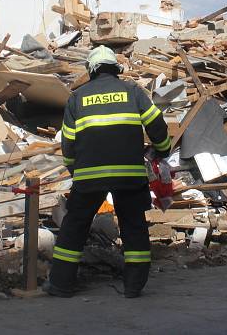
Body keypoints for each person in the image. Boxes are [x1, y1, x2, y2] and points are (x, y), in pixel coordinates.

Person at [48, 45, 171, 298]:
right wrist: (163, 150)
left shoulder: (77, 98)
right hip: (129, 175)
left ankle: (61, 285)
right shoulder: (132, 91)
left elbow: (68, 144)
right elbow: (156, 124)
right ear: (115, 68)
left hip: (89, 176)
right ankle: (134, 286)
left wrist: (75, 170)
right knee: (133, 226)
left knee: (75, 226)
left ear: (91, 70)